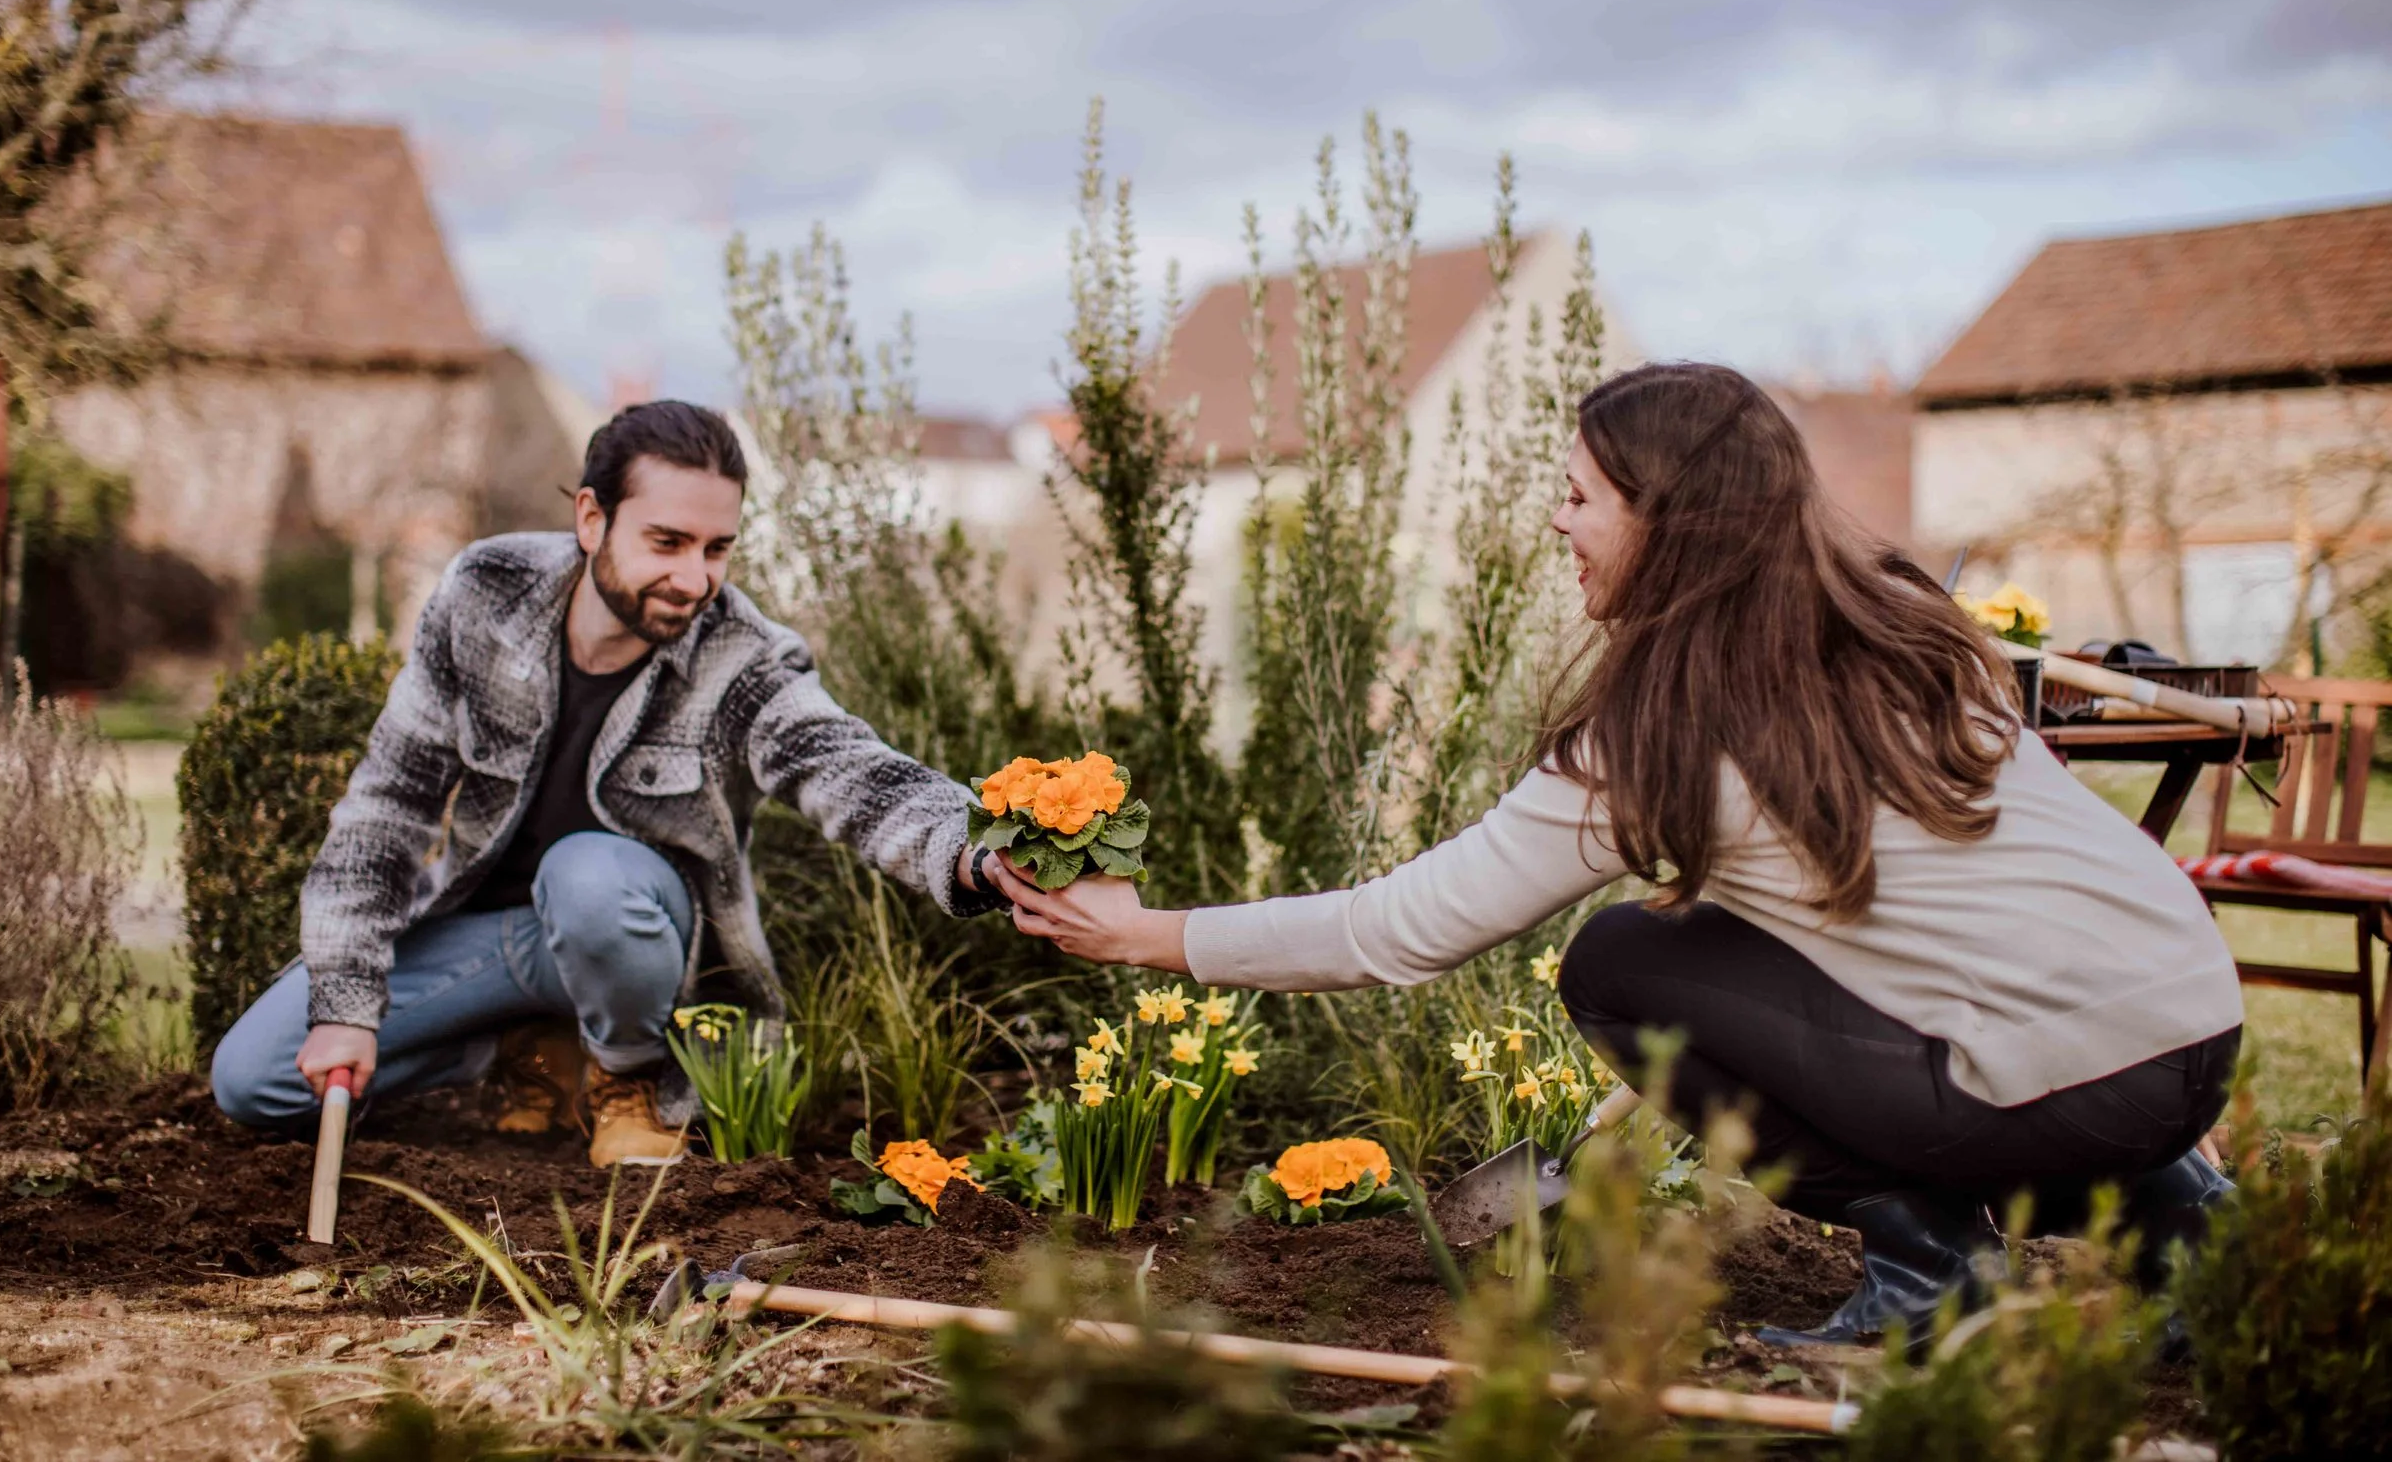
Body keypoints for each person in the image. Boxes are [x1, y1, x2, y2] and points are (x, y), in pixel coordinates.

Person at [991, 362, 2241, 1348]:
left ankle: (1931, 1277)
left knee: (1621, 964)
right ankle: (2181, 1216)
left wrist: (1148, 931)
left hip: (2066, 1079)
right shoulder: (1903, 622)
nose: (1558, 517)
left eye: (1582, 492)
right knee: (1699, 944)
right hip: (2193, 1032)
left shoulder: (1656, 729)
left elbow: (1402, 928)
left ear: (1669, 519)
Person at [211, 400, 1012, 1165]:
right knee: (256, 1079)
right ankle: (526, 1052)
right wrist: (347, 1009)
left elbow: (852, 769)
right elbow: (388, 807)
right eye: (667, 541)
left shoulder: (740, 655)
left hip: (638, 946)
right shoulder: (485, 594)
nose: (696, 578)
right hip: (499, 940)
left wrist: (977, 851)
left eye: (716, 548)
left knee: (589, 875)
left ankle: (627, 1077)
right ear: (591, 519)